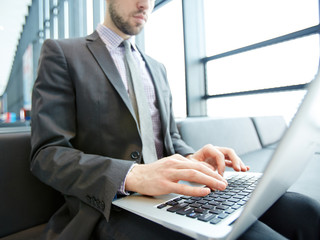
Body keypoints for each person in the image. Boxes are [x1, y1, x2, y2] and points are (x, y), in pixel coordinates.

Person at [30, 0, 320, 239]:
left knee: (306, 210)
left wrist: (192, 157)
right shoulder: (63, 53)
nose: (146, 4)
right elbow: (47, 154)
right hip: (111, 206)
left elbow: (169, 139)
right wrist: (132, 175)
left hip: (173, 194)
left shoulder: (156, 68)